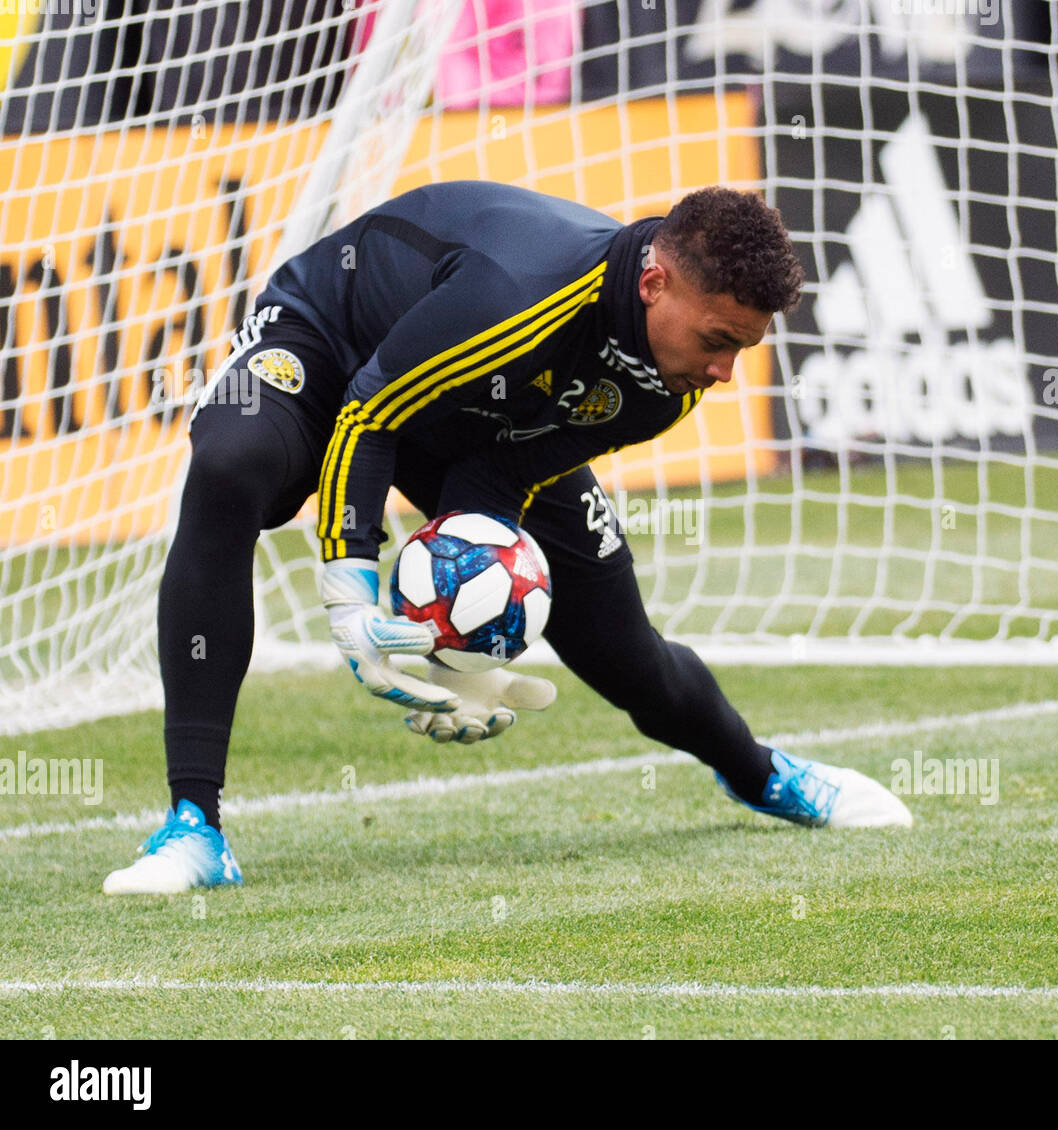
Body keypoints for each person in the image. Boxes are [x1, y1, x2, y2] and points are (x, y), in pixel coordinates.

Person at [103, 182, 911, 895]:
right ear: (654, 282)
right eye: (717, 341)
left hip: (481, 418)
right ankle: (194, 824)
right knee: (228, 467)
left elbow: (498, 481)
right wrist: (351, 590)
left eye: (745, 346)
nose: (727, 374)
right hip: (331, 345)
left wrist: (462, 647)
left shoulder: (669, 381)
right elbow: (369, 411)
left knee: (627, 653)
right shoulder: (523, 290)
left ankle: (762, 773)